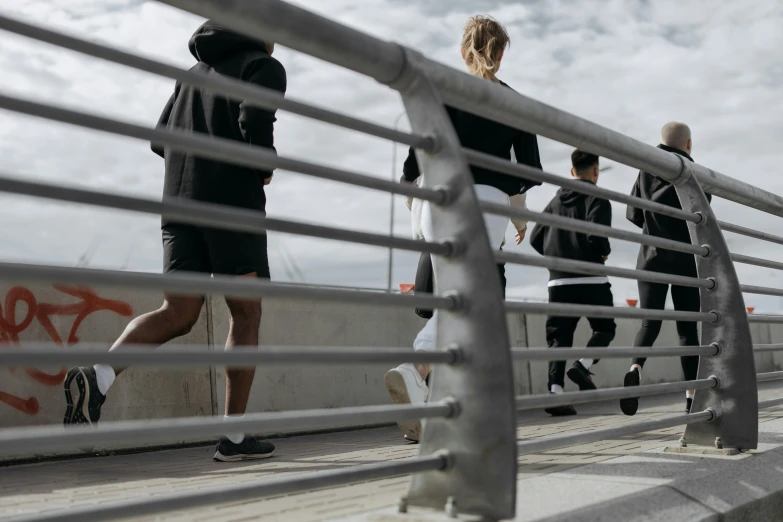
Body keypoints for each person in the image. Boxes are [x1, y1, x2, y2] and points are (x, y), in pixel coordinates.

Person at [62, 21, 287, 462]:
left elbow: (159, 139)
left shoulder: (192, 74)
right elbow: (255, 123)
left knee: (178, 311)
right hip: (231, 206)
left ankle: (100, 376)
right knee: (245, 312)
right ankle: (234, 438)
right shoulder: (263, 66)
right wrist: (265, 167)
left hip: (179, 206)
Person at [384, 15, 543, 442]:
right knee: (467, 304)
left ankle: (438, 407)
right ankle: (416, 371)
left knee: (453, 302)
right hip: (485, 203)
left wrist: (416, 208)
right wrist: (519, 217)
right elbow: (526, 172)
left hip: (436, 198)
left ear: (462, 51)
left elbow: (413, 165)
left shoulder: (441, 91)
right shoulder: (513, 103)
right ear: (502, 53)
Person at [621, 122, 708, 416]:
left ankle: (635, 368)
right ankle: (691, 397)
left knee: (649, 323)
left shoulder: (646, 167)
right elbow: (703, 216)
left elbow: (632, 213)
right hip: (684, 259)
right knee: (687, 332)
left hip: (650, 257)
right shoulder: (693, 173)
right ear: (688, 144)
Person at [530, 150, 616, 416]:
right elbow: (596, 234)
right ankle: (583, 365)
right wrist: (603, 251)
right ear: (595, 171)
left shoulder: (555, 201)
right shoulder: (598, 197)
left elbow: (535, 237)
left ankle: (555, 394)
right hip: (591, 277)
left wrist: (558, 258)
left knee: (558, 339)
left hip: (559, 282)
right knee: (605, 328)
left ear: (571, 172)